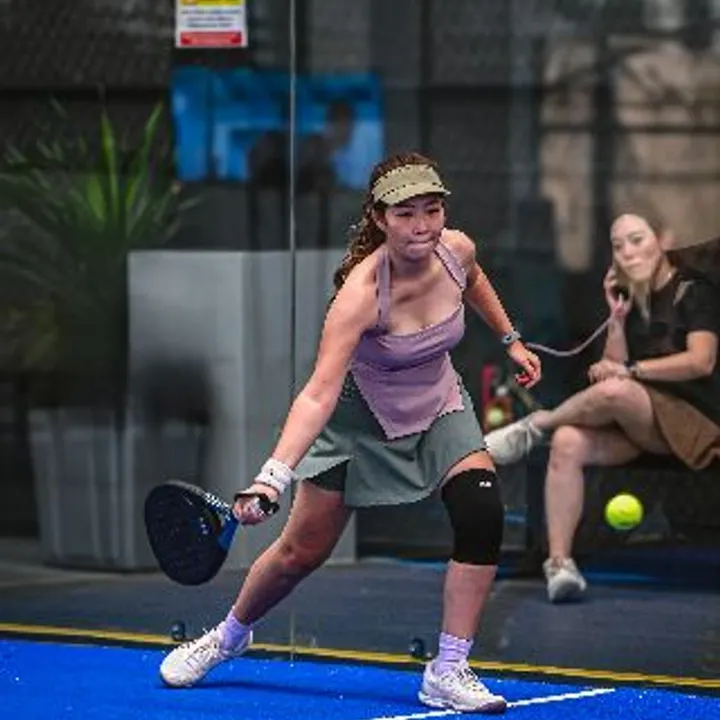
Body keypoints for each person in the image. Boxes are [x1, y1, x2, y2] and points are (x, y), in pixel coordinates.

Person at [158, 151, 541, 713]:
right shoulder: (360, 296)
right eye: (406, 214)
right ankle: (229, 636)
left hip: (438, 403)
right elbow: (318, 393)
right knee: (300, 553)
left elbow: (476, 279)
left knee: (482, 510)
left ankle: (448, 670)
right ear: (379, 219)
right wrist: (271, 478)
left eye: (432, 210)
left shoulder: (456, 250)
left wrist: (511, 341)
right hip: (358, 423)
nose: (423, 225)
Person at [485, 211, 720, 603]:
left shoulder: (693, 292)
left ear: (663, 240)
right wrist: (616, 318)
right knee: (568, 441)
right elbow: (612, 369)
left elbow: (701, 361)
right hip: (644, 427)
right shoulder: (633, 299)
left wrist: (630, 370)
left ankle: (537, 424)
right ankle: (560, 564)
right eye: (618, 246)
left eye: (637, 240)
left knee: (617, 394)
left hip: (696, 427)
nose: (627, 252)